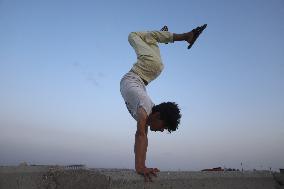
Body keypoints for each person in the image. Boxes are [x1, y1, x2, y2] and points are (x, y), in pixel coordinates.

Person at [120, 26, 202, 181]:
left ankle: (163, 33)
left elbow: (144, 137)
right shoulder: (144, 109)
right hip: (146, 69)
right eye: (164, 127)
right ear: (157, 115)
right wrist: (139, 167)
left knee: (151, 38)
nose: (161, 130)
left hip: (149, 71)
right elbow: (140, 135)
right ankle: (185, 36)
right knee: (133, 35)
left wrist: (143, 165)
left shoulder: (146, 111)